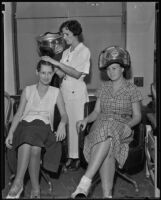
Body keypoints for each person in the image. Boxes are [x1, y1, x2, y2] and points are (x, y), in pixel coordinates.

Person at [71, 46, 142, 198]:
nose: (111, 72)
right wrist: (85, 119)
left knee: (110, 131)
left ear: (123, 69)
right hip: (101, 125)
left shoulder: (132, 88)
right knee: (108, 142)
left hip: (123, 126)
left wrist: (125, 126)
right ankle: (107, 195)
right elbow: (96, 112)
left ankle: (84, 183)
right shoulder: (103, 87)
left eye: (115, 68)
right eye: (108, 69)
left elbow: (137, 116)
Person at [5, 60, 68, 199]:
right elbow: (19, 114)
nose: (46, 76)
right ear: (37, 73)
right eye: (43, 73)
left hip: (44, 126)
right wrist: (10, 132)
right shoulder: (28, 90)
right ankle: (35, 189)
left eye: (49, 73)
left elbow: (64, 115)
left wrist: (62, 124)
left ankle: (18, 182)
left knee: (30, 138)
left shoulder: (56, 92)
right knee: (34, 148)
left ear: (53, 74)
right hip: (25, 125)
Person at [41, 20, 91, 171]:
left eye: (66, 34)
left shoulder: (84, 51)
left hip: (77, 93)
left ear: (75, 33)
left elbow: (76, 73)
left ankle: (79, 157)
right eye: (63, 34)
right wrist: (49, 64)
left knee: (77, 126)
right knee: (67, 126)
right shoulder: (66, 52)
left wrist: (57, 63)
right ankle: (70, 156)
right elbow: (62, 73)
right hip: (64, 92)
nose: (64, 37)